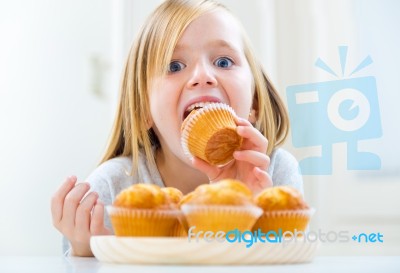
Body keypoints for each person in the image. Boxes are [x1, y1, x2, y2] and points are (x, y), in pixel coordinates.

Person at [51, 0, 303, 257]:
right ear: (142, 111)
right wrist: (89, 252)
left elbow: (289, 259)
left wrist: (246, 206)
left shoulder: (275, 175)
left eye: (224, 62)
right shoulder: (111, 188)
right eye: (174, 66)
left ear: (255, 101)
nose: (202, 75)